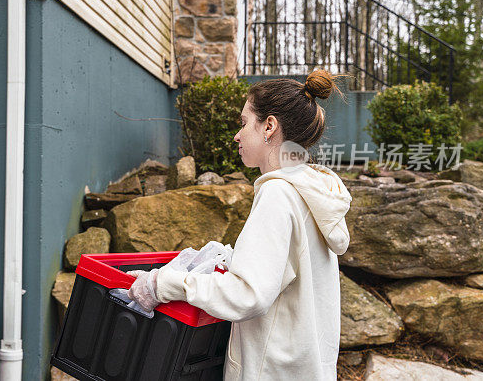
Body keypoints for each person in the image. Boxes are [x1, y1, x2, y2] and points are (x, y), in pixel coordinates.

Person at [127, 69, 353, 380]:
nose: (237, 134)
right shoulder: (312, 192)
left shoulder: (278, 193)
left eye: (244, 123)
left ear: (269, 126)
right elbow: (285, 275)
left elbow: (249, 294)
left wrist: (162, 284)